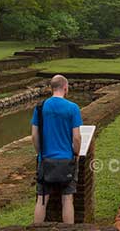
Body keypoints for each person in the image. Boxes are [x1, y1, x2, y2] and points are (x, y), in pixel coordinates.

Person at [32, 75, 82, 224]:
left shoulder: (40, 107)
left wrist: (39, 152)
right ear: (65, 88)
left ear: (51, 88)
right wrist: (76, 152)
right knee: (67, 199)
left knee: (42, 199)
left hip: (45, 159)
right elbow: (77, 137)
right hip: (66, 159)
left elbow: (34, 135)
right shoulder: (72, 108)